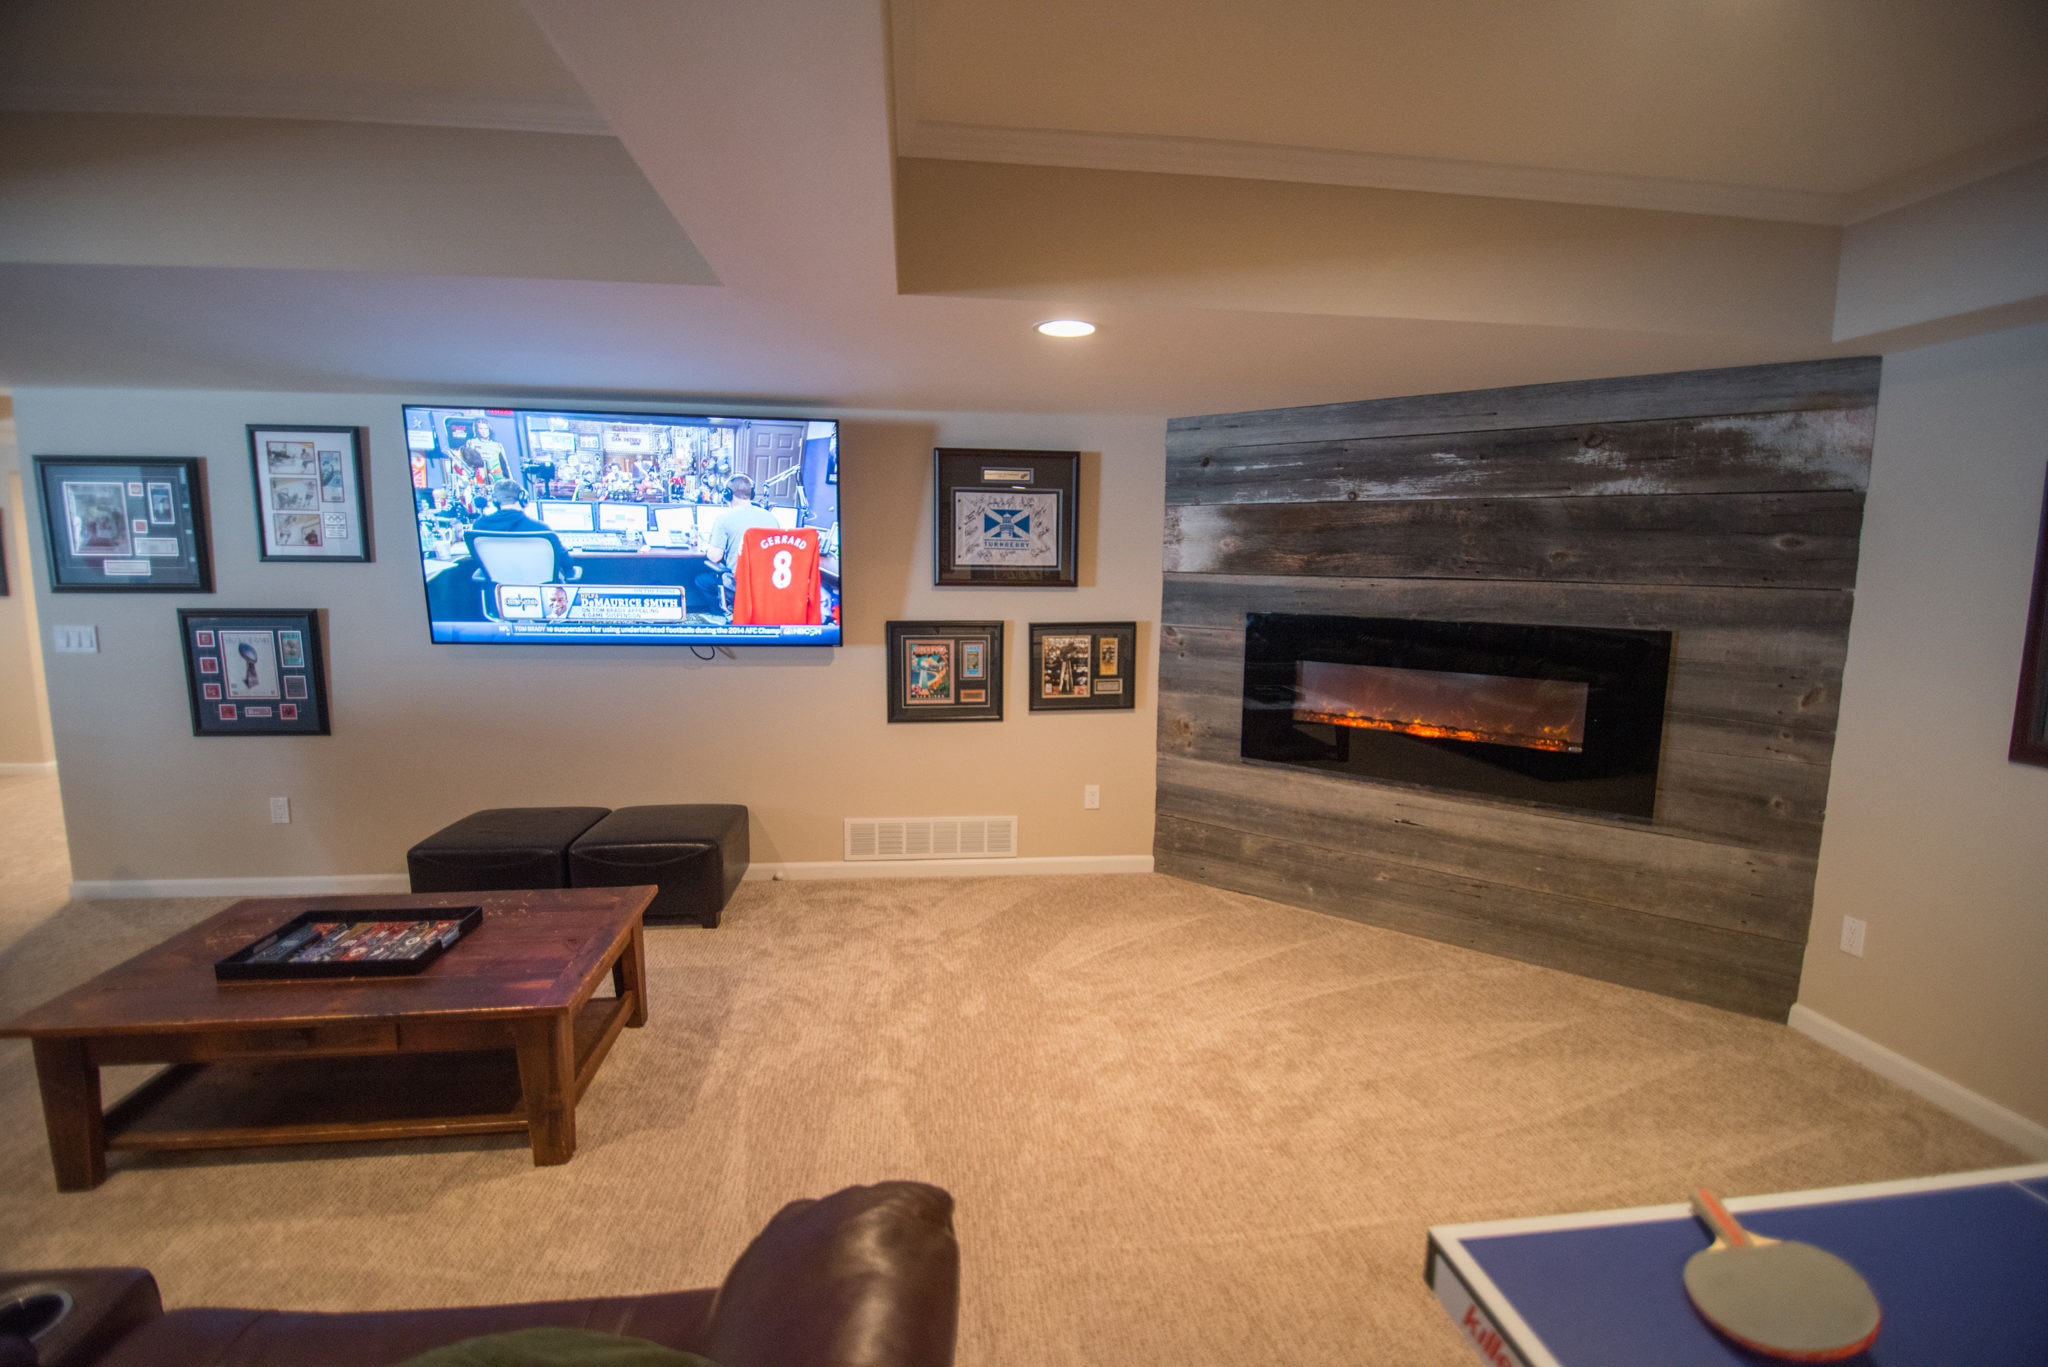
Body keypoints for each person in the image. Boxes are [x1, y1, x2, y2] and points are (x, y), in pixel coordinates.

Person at [699, 475, 781, 617]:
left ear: (727, 494)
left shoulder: (724, 519)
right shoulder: (772, 518)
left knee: (702, 581)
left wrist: (707, 548)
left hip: (738, 585)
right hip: (768, 585)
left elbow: (715, 557)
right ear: (752, 494)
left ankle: (722, 617)